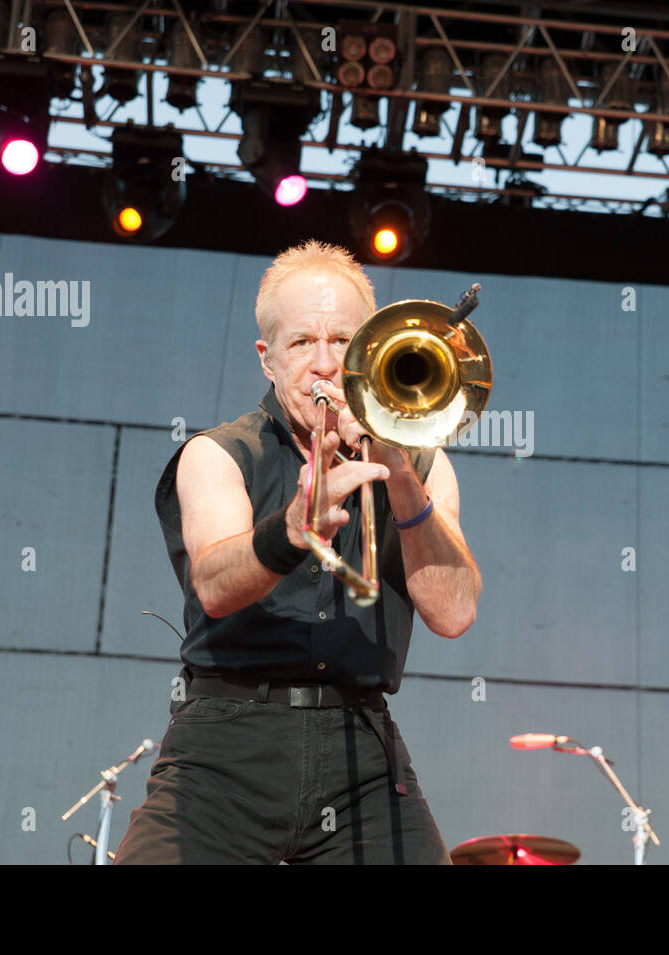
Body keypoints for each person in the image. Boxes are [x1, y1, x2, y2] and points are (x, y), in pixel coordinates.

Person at [115, 240, 481, 864]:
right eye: (301, 343)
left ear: (371, 346)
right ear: (267, 359)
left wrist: (393, 463)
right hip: (224, 744)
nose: (324, 365)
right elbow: (214, 583)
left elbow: (453, 613)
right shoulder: (218, 453)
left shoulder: (423, 463)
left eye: (341, 341)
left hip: (361, 747)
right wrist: (286, 533)